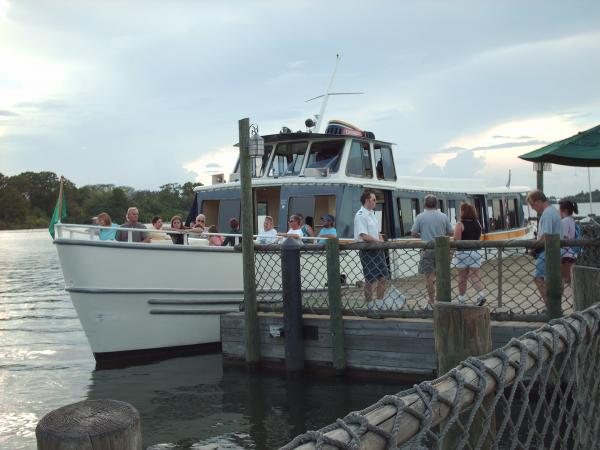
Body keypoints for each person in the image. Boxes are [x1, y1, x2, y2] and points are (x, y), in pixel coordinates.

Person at [411, 194, 454, 309]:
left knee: (429, 279)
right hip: (442, 251)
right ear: (437, 204)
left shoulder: (420, 217)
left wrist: (423, 235)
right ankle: (443, 300)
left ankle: (431, 302)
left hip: (427, 250)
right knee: (442, 277)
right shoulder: (444, 216)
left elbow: (413, 233)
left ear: (425, 204)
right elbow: (451, 232)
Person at [526, 190, 562, 304]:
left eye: (532, 205)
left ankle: (550, 306)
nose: (532, 208)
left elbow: (546, 236)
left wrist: (533, 248)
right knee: (555, 279)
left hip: (548, 251)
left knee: (538, 278)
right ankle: (555, 305)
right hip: (556, 250)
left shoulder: (547, 214)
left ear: (538, 201)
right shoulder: (553, 211)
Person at [354, 190, 388, 307]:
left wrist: (380, 239)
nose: (375, 202)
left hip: (377, 249)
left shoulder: (372, 213)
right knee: (370, 279)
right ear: (367, 201)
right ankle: (369, 305)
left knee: (383, 277)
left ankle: (379, 303)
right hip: (368, 250)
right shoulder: (360, 215)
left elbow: (376, 232)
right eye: (374, 200)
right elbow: (363, 235)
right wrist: (379, 241)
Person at [453, 203, 486, 306]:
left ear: (463, 212)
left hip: (462, 253)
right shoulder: (478, 223)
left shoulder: (459, 224)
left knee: (462, 277)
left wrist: (451, 251)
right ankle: (481, 295)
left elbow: (456, 240)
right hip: (476, 252)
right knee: (474, 275)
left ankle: (462, 299)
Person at [559, 198, 579, 285]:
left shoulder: (564, 221)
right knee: (570, 279)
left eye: (559, 209)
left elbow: (564, 237)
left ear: (564, 210)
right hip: (571, 253)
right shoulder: (571, 220)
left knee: (565, 278)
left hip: (565, 254)